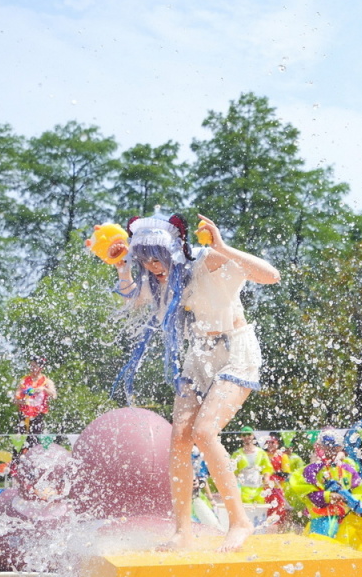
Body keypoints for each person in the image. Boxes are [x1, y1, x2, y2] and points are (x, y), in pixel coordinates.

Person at [107, 212, 280, 552]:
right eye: (146, 262)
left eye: (157, 259)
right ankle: (182, 532)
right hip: (199, 355)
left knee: (204, 432)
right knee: (180, 439)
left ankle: (240, 521)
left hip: (236, 350)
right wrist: (122, 266)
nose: (154, 268)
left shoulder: (207, 260)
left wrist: (223, 246)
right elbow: (132, 296)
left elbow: (272, 276)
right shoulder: (166, 282)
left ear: (173, 250)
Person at [289, 431, 362, 539]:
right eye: (327, 447)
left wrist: (351, 501)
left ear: (340, 448)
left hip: (346, 518)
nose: (331, 451)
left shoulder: (348, 469)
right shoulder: (312, 469)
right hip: (322, 520)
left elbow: (358, 491)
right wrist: (328, 496)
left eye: (335, 448)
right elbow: (309, 494)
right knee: (322, 547)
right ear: (320, 447)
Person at [13, 356, 58, 449]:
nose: (32, 369)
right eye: (31, 366)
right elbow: (15, 399)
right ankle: (16, 461)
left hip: (38, 414)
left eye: (34, 366)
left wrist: (43, 389)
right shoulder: (24, 380)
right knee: (19, 441)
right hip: (24, 414)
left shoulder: (46, 381)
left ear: (41, 368)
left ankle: (33, 458)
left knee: (34, 440)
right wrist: (22, 401)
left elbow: (54, 395)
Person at [231, 426, 272, 504]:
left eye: (249, 434)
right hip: (243, 489)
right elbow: (232, 471)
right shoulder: (237, 454)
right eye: (244, 435)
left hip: (258, 488)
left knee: (260, 512)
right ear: (241, 437)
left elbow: (267, 467)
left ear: (253, 435)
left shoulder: (261, 452)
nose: (247, 437)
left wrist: (266, 478)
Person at [263, 431, 292, 529]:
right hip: (264, 489)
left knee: (278, 512)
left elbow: (286, 474)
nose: (270, 445)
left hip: (277, 489)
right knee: (265, 511)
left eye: (273, 442)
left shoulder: (282, 456)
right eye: (268, 442)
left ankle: (278, 530)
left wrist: (273, 473)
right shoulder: (263, 455)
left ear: (277, 443)